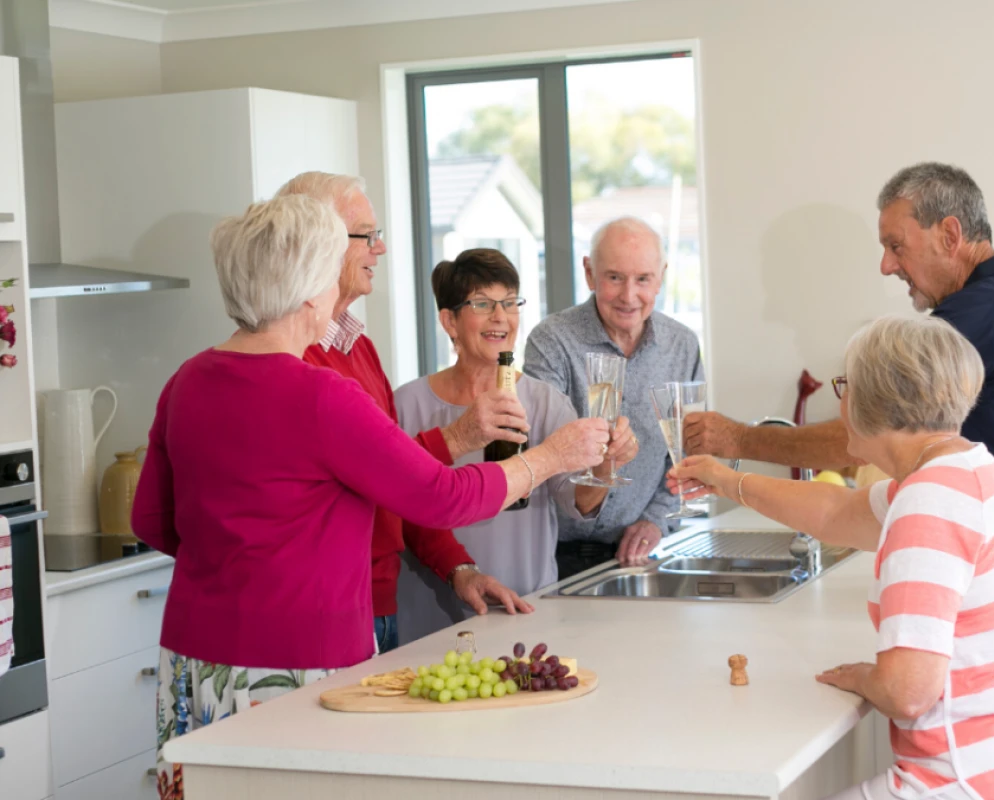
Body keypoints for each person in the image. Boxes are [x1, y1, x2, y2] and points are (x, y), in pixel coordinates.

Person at [132, 195, 608, 800]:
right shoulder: (322, 396)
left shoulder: (188, 379)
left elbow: (150, 520)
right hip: (298, 660)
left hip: (192, 658)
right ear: (311, 292)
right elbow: (440, 496)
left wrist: (240, 563)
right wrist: (551, 458)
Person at [684, 163, 994, 728]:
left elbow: (856, 436)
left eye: (895, 245)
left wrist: (738, 439)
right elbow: (837, 509)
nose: (887, 265)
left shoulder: (984, 314)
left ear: (950, 235)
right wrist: (724, 476)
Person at [671, 316, 994, 800]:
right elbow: (837, 511)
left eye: (845, 386)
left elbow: (907, 693)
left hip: (977, 783)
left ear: (879, 399)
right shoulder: (972, 471)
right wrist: (728, 481)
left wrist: (863, 676)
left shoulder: (930, 501)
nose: (841, 402)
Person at [277, 172, 530, 653]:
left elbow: (399, 493)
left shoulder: (360, 347)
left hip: (377, 606)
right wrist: (460, 436)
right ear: (318, 242)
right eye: (367, 235)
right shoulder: (296, 360)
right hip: (328, 610)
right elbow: (387, 477)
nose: (382, 248)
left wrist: (460, 570)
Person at [392, 249, 638, 643]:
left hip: (526, 608)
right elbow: (394, 509)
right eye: (483, 304)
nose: (500, 317)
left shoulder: (544, 401)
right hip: (429, 614)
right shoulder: (405, 405)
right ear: (449, 321)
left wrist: (606, 466)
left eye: (509, 303)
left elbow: (579, 502)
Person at [524, 217, 704, 579]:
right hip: (553, 555)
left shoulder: (682, 345)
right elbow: (542, 454)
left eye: (642, 279)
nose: (628, 296)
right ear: (590, 274)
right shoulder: (552, 341)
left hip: (643, 556)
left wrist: (656, 520)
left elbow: (688, 451)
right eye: (615, 277)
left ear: (661, 276)